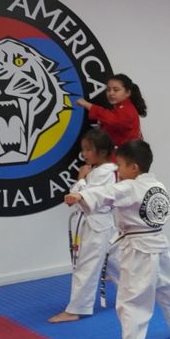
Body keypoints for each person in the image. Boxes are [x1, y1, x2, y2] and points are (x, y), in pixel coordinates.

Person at [63, 140, 170, 339]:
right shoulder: (157, 185)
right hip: (159, 244)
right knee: (167, 288)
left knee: (131, 299)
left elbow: (107, 193)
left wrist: (80, 196)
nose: (118, 171)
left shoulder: (130, 186)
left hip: (139, 250)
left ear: (134, 168)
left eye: (121, 166)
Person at [49, 128, 119, 324]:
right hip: (101, 224)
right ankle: (137, 293)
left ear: (103, 152)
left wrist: (80, 179)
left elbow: (83, 198)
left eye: (89, 149)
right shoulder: (100, 171)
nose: (85, 154)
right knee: (117, 263)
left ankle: (77, 309)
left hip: (96, 224)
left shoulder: (105, 172)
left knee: (85, 266)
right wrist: (84, 179)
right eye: (84, 150)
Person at [75, 73, 146, 147]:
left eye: (116, 90)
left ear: (127, 92)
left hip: (129, 155)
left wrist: (87, 104)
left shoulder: (128, 110)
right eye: (108, 90)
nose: (111, 93)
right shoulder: (119, 108)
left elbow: (112, 120)